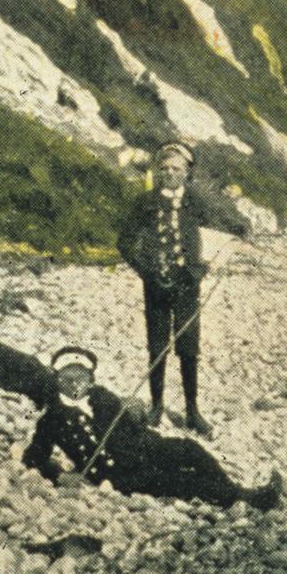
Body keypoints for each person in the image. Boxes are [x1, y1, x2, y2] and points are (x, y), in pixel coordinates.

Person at [22, 346, 283, 511]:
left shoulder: (102, 396)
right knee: (181, 482)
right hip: (121, 474)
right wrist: (59, 476)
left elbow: (130, 426)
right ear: (57, 380)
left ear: (91, 379)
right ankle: (247, 500)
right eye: (68, 378)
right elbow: (33, 458)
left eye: (82, 377)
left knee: (189, 449)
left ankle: (234, 490)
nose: (76, 384)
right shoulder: (52, 419)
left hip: (147, 447)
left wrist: (136, 413)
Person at [117, 142, 238, 436]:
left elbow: (226, 229)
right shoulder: (145, 202)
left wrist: (204, 264)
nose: (170, 174)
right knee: (157, 346)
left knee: (188, 347)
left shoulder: (196, 202)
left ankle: (192, 411)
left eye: (177, 169)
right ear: (158, 172)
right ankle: (157, 406)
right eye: (165, 169)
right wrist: (146, 271)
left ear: (187, 173)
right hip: (156, 285)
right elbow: (124, 243)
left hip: (187, 286)